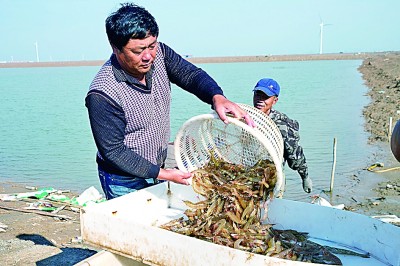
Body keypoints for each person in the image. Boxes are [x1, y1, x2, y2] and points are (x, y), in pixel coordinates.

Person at [85, 3, 254, 200]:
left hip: (158, 166)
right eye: (138, 51)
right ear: (116, 48)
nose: (148, 56)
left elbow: (191, 75)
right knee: (133, 227)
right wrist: (164, 175)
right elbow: (114, 151)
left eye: (152, 45)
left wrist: (217, 97)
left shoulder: (161, 55)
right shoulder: (103, 93)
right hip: (123, 179)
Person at [252, 78, 312, 194]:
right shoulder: (244, 118)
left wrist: (305, 177)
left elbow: (295, 156)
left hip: (272, 179)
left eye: (265, 97)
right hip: (248, 175)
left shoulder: (282, 126)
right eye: (257, 94)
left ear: (274, 101)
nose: (260, 100)